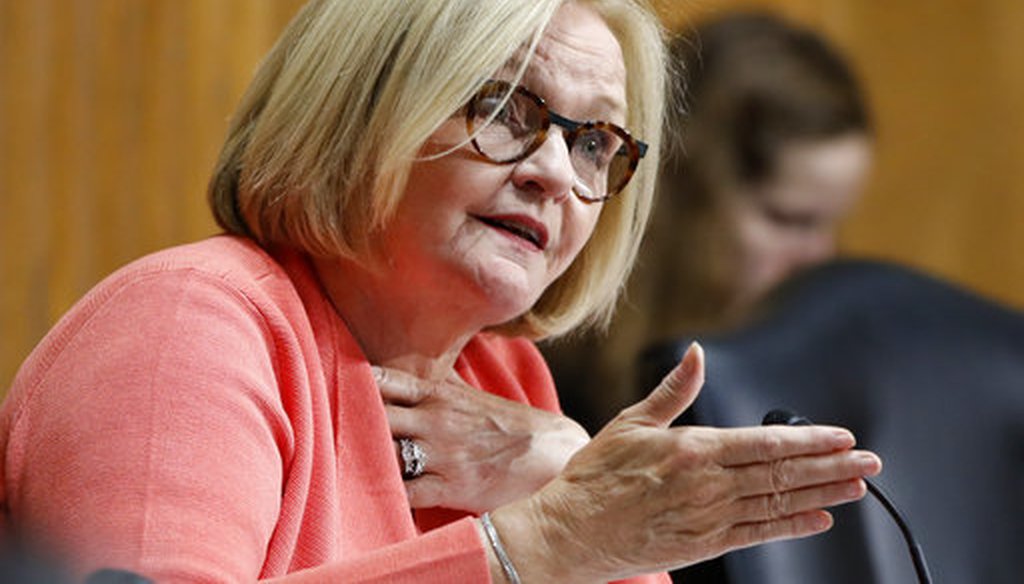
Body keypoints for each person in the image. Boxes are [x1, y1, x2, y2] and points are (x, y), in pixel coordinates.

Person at [0, 1, 881, 582]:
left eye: (592, 144)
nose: (552, 173)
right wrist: (534, 546)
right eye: (506, 110)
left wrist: (567, 470)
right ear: (362, 108)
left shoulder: (508, 385)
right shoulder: (190, 326)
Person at [544, 11, 875, 432]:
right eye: (789, 219)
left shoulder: (827, 377)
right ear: (684, 196)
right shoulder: (550, 361)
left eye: (831, 225)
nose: (820, 256)